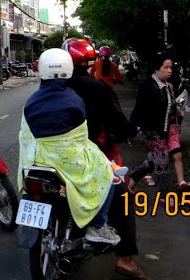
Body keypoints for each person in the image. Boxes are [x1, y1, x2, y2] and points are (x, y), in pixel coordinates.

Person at [64, 39, 151, 280]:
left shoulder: (49, 89)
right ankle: (124, 258)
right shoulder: (98, 88)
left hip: (48, 159)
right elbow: (119, 124)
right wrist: (130, 131)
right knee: (121, 195)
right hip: (90, 157)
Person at [18, 48, 121, 245]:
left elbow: (26, 133)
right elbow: (80, 134)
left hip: (35, 160)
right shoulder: (74, 99)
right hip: (68, 161)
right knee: (109, 176)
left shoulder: (31, 101)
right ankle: (97, 226)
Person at [131, 55, 190, 190]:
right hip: (152, 129)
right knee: (163, 160)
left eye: (171, 67)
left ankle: (133, 177)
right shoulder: (148, 86)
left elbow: (169, 106)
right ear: (156, 69)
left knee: (156, 159)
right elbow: (142, 109)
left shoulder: (166, 85)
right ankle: (164, 195)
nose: (169, 70)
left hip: (164, 129)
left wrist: (176, 112)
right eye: (165, 67)